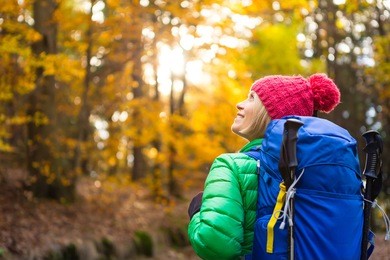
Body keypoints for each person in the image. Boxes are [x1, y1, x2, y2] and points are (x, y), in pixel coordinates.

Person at [187, 73, 341, 259]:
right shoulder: (314, 171)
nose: (240, 104)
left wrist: (197, 212)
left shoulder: (231, 166)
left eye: (252, 98)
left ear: (272, 113)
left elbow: (215, 244)